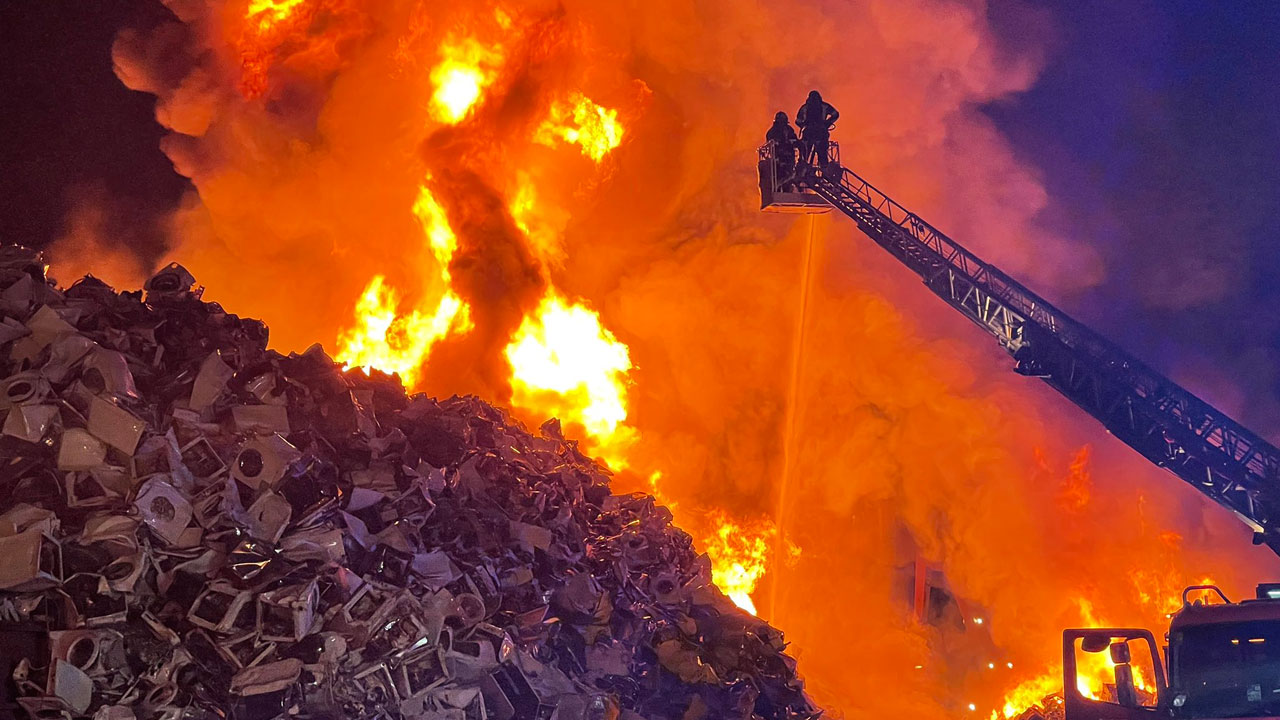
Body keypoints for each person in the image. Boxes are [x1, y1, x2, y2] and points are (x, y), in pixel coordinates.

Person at [796, 90, 839, 169]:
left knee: (806, 151)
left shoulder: (805, 107)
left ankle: (804, 167)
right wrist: (827, 123)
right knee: (821, 151)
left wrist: (804, 126)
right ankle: (823, 168)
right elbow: (835, 114)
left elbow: (798, 121)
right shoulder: (824, 106)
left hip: (809, 133)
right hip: (820, 132)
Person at [765, 111, 799, 189]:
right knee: (783, 174)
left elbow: (794, 138)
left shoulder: (789, 129)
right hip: (779, 158)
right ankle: (778, 186)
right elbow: (771, 142)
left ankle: (784, 187)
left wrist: (795, 142)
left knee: (789, 174)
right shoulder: (772, 132)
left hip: (789, 157)